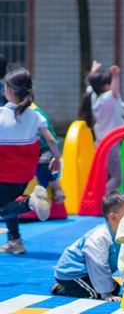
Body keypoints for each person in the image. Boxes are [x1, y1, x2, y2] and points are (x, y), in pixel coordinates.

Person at [0, 68, 61, 254]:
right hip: (25, 172)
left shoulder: (2, 114)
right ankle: (15, 241)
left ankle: (30, 203)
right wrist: (57, 160)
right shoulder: (35, 115)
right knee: (9, 201)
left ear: (9, 91)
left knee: (4, 209)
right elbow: (51, 139)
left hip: (5, 171)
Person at [51, 190, 124, 301]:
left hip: (89, 272)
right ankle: (63, 288)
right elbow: (99, 265)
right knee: (95, 294)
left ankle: (90, 287)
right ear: (114, 218)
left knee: (115, 288)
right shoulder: (100, 237)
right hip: (73, 272)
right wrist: (106, 294)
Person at [79, 60, 124, 191]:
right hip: (110, 142)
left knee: (103, 175)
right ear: (106, 86)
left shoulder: (94, 95)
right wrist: (116, 75)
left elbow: (90, 84)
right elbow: (115, 92)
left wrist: (93, 71)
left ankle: (99, 195)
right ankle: (101, 197)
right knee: (117, 178)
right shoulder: (107, 100)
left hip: (100, 141)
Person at [31, 102, 65, 204]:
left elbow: (50, 140)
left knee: (45, 162)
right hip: (29, 149)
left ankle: (56, 187)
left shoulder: (35, 112)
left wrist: (57, 156)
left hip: (45, 147)